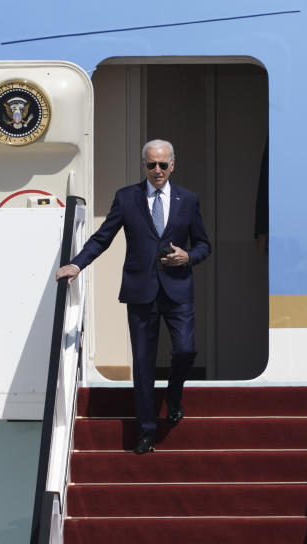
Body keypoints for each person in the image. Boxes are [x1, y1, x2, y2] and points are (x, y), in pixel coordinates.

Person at [55, 140, 211, 454]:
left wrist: (188, 256)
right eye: (151, 165)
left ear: (173, 164)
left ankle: (174, 392)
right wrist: (76, 263)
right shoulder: (127, 198)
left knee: (186, 350)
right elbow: (103, 237)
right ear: (144, 165)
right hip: (141, 291)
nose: (157, 171)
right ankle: (146, 430)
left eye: (163, 165)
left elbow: (204, 245)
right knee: (142, 363)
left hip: (178, 289)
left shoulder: (188, 199)